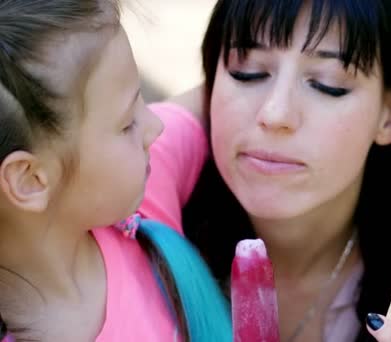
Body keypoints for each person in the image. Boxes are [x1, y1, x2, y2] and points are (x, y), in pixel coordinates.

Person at [177, 0, 391, 341]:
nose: (275, 114)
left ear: (390, 115)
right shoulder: (152, 223)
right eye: (248, 70)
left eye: (327, 84)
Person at [0, 1, 230, 341]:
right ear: (30, 180)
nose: (155, 127)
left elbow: (233, 94)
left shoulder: (146, 189)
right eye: (127, 124)